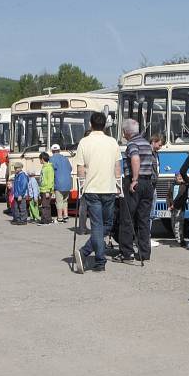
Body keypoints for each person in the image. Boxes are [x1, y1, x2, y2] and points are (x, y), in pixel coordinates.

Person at [72, 112, 122, 274]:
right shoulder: (112, 142)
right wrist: (119, 185)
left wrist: (81, 188)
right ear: (105, 125)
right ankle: (98, 259)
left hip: (91, 189)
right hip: (109, 188)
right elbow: (117, 167)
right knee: (106, 225)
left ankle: (86, 252)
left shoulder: (84, 142)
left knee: (97, 226)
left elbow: (80, 169)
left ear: (90, 124)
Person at [114, 119, 156, 264]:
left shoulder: (132, 144)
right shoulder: (146, 143)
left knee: (127, 218)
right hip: (148, 183)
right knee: (143, 219)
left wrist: (134, 179)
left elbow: (135, 159)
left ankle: (127, 253)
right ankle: (144, 252)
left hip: (135, 182)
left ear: (126, 132)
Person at [49, 144, 73, 224]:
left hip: (59, 183)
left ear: (52, 151)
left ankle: (59, 217)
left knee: (59, 201)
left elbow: (51, 171)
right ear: (59, 150)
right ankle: (66, 216)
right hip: (68, 183)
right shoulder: (65, 158)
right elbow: (70, 169)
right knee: (65, 201)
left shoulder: (51, 159)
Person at [166, 174, 188, 246]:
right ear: (175, 178)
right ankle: (177, 238)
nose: (180, 178)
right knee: (173, 223)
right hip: (172, 208)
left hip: (180, 208)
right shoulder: (172, 186)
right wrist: (169, 205)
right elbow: (168, 196)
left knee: (179, 224)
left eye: (181, 177)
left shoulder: (184, 186)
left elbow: (182, 198)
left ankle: (180, 240)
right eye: (178, 176)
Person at [39, 152, 54, 225]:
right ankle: (47, 219)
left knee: (45, 206)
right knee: (45, 205)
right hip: (42, 189)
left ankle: (45, 220)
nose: (39, 161)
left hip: (46, 190)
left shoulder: (49, 168)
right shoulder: (44, 167)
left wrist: (48, 190)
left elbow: (50, 180)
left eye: (40, 159)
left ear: (42, 159)